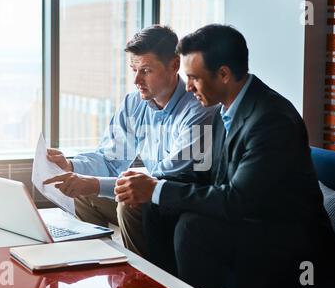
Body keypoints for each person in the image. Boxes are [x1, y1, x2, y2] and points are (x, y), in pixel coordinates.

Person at [114, 24, 335, 288]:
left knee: (194, 227)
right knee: (153, 207)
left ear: (224, 74)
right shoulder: (222, 110)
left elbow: (237, 200)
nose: (189, 87)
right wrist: (154, 187)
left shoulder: (270, 119)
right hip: (250, 222)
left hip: (288, 238)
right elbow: (204, 174)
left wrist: (159, 189)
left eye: (194, 77)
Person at [43, 25, 216, 258]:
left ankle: (144, 281)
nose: (136, 79)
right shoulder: (135, 103)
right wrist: (71, 167)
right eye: (133, 69)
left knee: (129, 203)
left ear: (174, 65)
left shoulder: (198, 111)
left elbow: (164, 181)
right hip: (155, 195)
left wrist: (94, 183)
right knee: (82, 193)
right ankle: (101, 264)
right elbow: (110, 158)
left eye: (145, 70)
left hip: (181, 202)